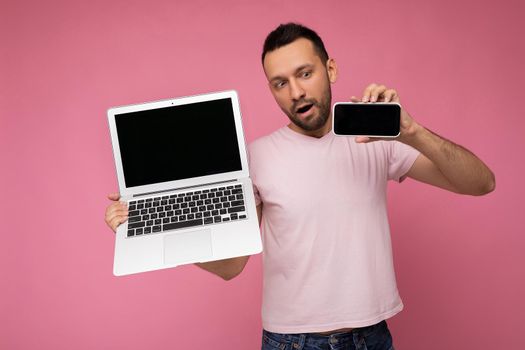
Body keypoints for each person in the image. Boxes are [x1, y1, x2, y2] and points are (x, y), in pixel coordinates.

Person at [105, 23, 495, 350]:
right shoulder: (255, 159)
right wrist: (156, 227)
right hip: (290, 342)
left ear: (331, 69)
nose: (295, 92)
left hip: (371, 337)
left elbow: (481, 183)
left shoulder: (378, 139)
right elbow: (230, 266)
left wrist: (411, 131)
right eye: (280, 83)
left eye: (304, 74)